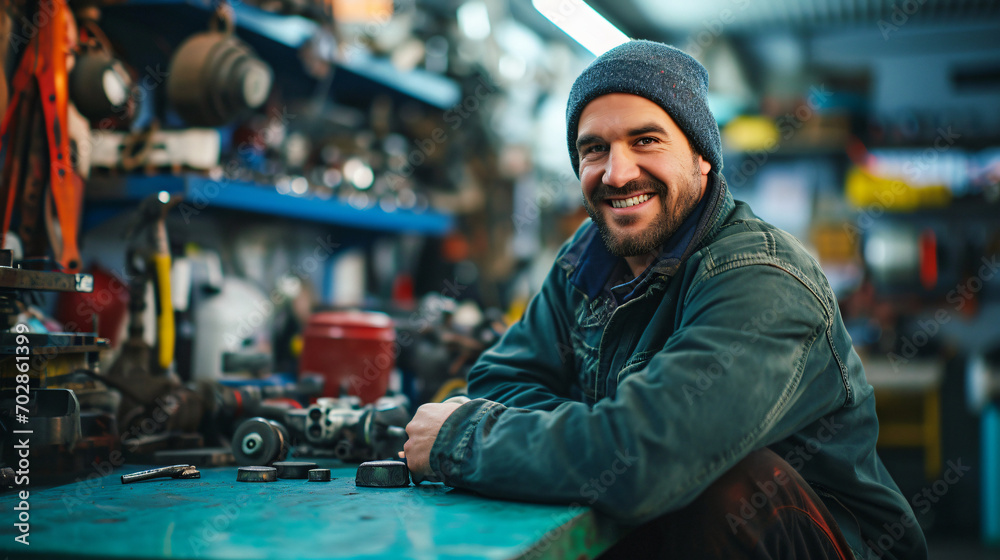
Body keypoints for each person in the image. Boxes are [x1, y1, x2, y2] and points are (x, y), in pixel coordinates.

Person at [402, 40, 928, 559]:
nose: (618, 172)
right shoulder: (584, 258)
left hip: (838, 545)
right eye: (594, 148)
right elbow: (500, 380)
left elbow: (651, 460)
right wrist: (604, 437)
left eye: (646, 140)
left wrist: (466, 439)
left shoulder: (762, 277)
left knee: (727, 481)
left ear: (702, 157)